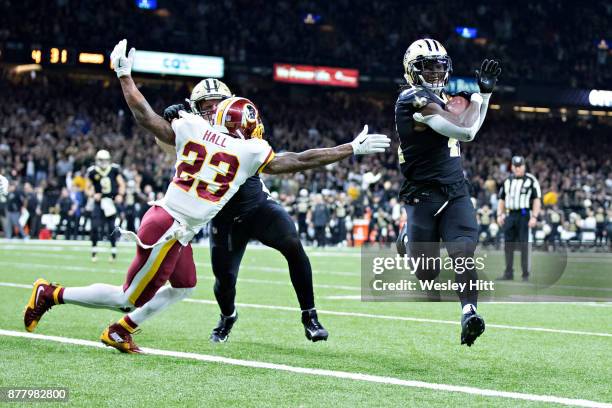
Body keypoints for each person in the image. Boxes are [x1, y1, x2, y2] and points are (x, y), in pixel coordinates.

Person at [23, 39, 390, 353]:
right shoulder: (249, 150)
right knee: (127, 297)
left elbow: (147, 117)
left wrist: (124, 76)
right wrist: (349, 149)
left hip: (176, 224)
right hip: (171, 225)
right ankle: (52, 294)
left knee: (184, 287)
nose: (213, 110)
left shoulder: (192, 126)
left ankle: (122, 330)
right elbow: (296, 160)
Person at [160, 81, 338, 343]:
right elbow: (169, 146)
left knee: (293, 244)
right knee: (225, 281)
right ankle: (227, 316)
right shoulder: (194, 133)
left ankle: (310, 316)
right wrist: (168, 124)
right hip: (224, 217)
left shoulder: (244, 131)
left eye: (217, 104)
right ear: (194, 109)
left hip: (258, 207)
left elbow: (282, 160)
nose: (212, 110)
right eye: (205, 106)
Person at [394, 38, 501, 346]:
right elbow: (467, 130)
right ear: (413, 70)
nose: (436, 72)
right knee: (427, 274)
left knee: (463, 251)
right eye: (428, 66)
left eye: (440, 66)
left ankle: (469, 313)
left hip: (454, 190)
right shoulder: (412, 98)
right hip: (423, 195)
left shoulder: (442, 98)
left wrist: (484, 93)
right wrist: (478, 99)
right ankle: (406, 238)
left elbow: (471, 128)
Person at [497, 156, 541, 281]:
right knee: (508, 245)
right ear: (511, 167)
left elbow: (537, 199)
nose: (517, 168)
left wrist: (534, 216)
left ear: (524, 166)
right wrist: (499, 214)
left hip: (523, 214)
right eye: (515, 166)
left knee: (524, 245)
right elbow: (502, 199)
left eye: (519, 166)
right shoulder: (507, 181)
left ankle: (525, 274)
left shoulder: (531, 180)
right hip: (510, 215)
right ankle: (508, 273)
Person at [87, 150, 126, 262]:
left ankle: (113, 251)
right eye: (101, 160)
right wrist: (93, 194)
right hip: (99, 203)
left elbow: (121, 184)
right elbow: (87, 187)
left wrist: (120, 195)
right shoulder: (93, 171)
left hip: (110, 202)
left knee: (111, 228)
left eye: (105, 160)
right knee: (94, 227)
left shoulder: (114, 169)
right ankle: (94, 251)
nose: (103, 162)